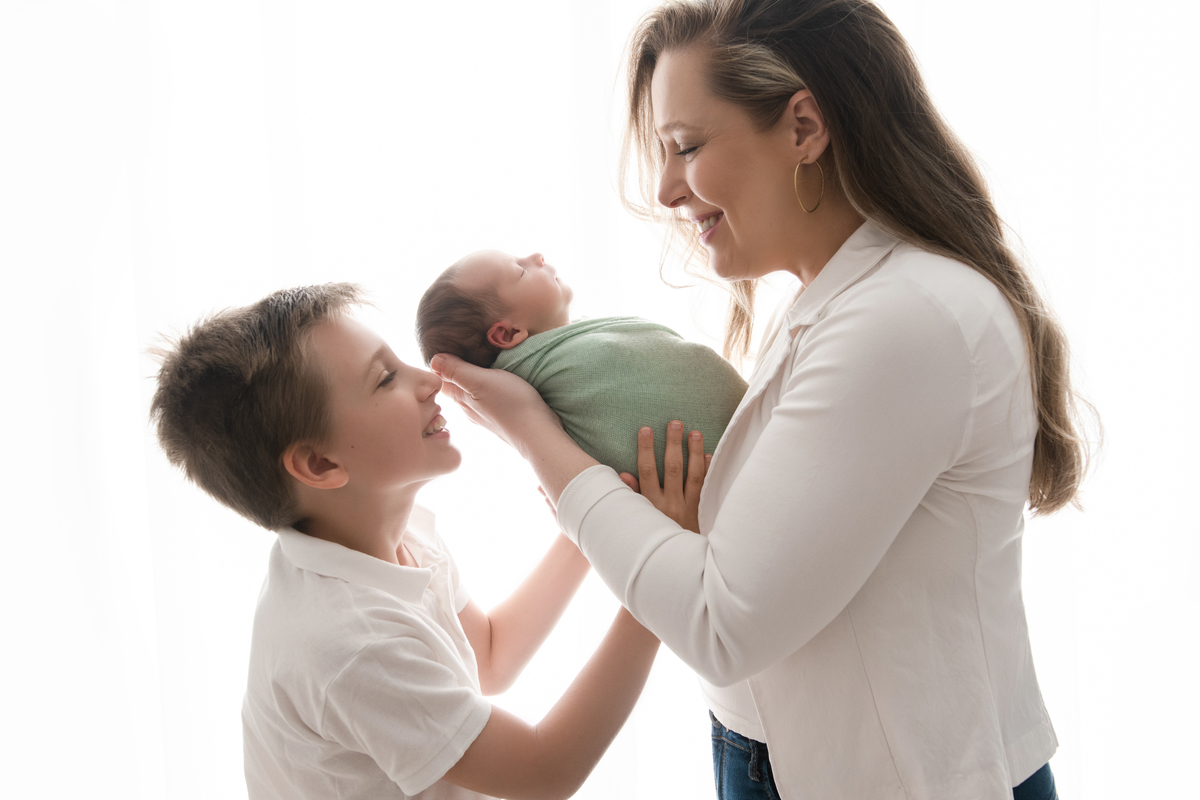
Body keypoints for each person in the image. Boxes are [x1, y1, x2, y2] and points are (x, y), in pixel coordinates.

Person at [427, 1, 1090, 798]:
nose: (667, 188)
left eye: (687, 147)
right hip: (782, 758)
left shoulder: (899, 321)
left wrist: (538, 438)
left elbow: (722, 623)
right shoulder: (835, 303)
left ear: (804, 127)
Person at [148, 283, 668, 800]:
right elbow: (542, 772)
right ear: (321, 464)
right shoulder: (350, 643)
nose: (430, 381)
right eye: (385, 379)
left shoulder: (389, 531)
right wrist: (655, 583)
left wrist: (593, 516)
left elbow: (488, 657)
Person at [415, 249, 747, 479]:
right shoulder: (548, 380)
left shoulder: (572, 342)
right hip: (735, 460)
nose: (536, 257)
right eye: (520, 269)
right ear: (509, 333)